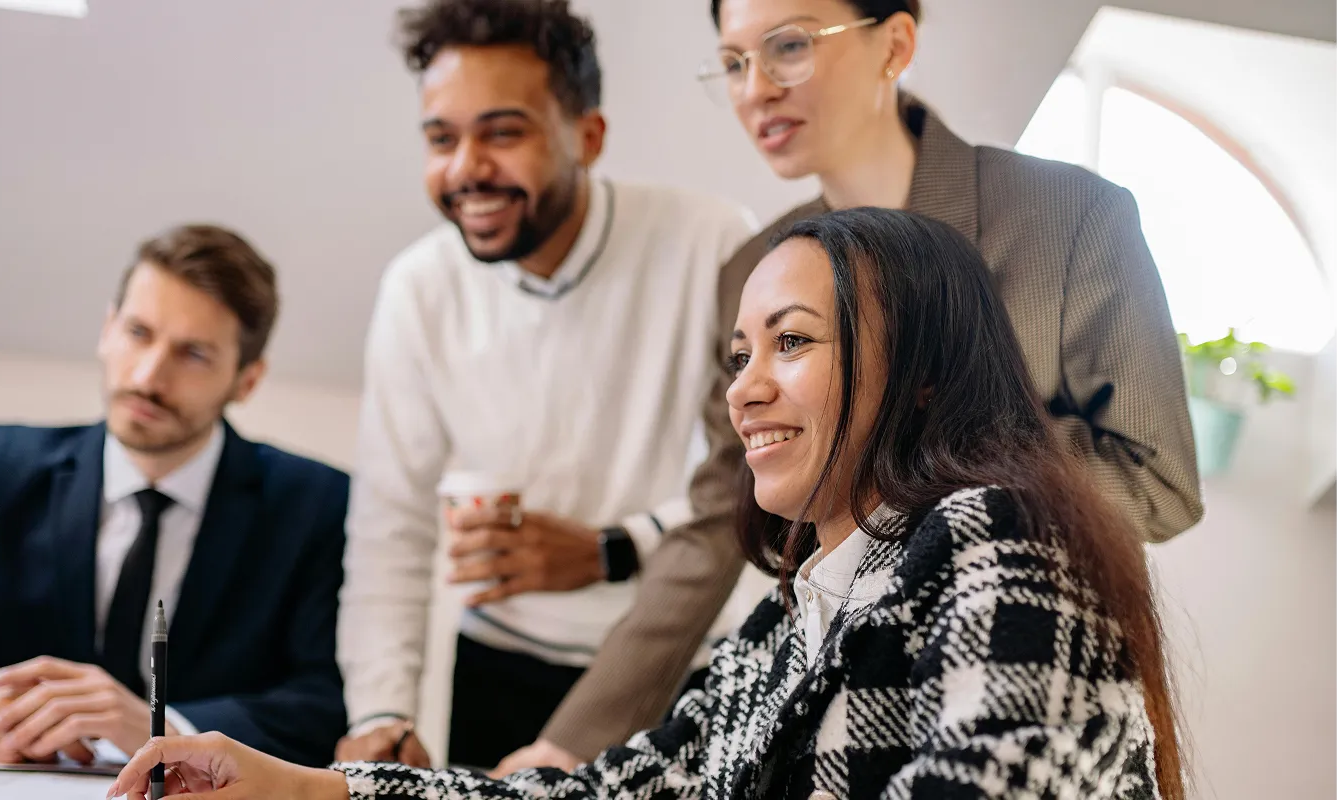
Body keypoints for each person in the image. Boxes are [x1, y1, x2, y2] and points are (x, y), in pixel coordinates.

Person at [106, 206, 1186, 800]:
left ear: (922, 372)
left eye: (792, 341)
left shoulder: (1001, 536)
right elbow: (597, 797)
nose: (744, 386)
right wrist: (298, 789)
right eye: (735, 353)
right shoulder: (785, 617)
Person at [494, 0, 1205, 773]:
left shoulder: (1069, 218)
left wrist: (917, 452)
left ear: (894, 44)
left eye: (787, 46)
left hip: (1012, 660)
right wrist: (567, 743)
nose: (753, 88)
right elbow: (712, 525)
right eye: (732, 63)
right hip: (832, 683)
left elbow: (1158, 480)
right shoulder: (756, 272)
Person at [332, 0, 757, 771]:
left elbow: (754, 477)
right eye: (440, 137)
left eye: (502, 132)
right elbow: (389, 526)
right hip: (498, 670)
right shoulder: (417, 288)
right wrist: (382, 711)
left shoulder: (712, 241)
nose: (465, 169)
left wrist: (611, 550)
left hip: (678, 660)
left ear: (587, 137)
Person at [0, 224, 350, 768]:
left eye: (192, 354)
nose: (147, 376)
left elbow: (325, 705)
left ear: (247, 380)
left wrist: (160, 728)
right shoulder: (8, 469)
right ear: (106, 328)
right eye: (138, 332)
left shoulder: (315, 503)